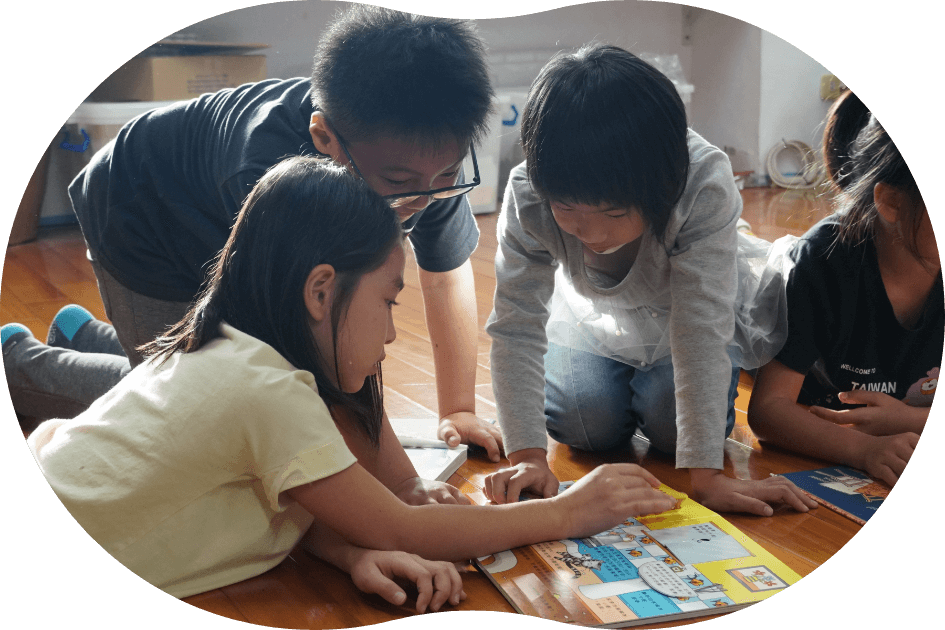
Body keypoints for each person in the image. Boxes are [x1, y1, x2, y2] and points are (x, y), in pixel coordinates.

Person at [25, 157, 678, 603]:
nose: (392, 334)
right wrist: (566, 512)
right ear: (320, 291)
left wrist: (350, 553)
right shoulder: (268, 391)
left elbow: (280, 502)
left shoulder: (228, 352)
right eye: (389, 301)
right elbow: (399, 529)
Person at [3, 6, 502, 460]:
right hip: (141, 209)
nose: (424, 197)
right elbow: (311, 344)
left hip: (216, 209)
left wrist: (458, 409)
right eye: (398, 182)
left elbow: (446, 275)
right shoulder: (273, 173)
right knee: (197, 406)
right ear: (324, 138)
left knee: (222, 385)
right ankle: (18, 364)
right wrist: (385, 473)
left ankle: (84, 334)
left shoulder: (421, 165)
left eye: (448, 173)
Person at [482, 44, 817, 516]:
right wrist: (527, 457)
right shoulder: (529, 193)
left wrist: (707, 478)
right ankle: (627, 388)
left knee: (672, 430)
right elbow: (515, 325)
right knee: (585, 426)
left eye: (614, 212)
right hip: (595, 314)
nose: (591, 234)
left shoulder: (700, 181)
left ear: (662, 187)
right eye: (566, 209)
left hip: (686, 313)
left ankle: (660, 395)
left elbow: (701, 326)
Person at [747, 90, 938, 487]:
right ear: (891, 203)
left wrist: (909, 419)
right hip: (768, 325)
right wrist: (864, 450)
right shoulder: (821, 261)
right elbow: (768, 411)